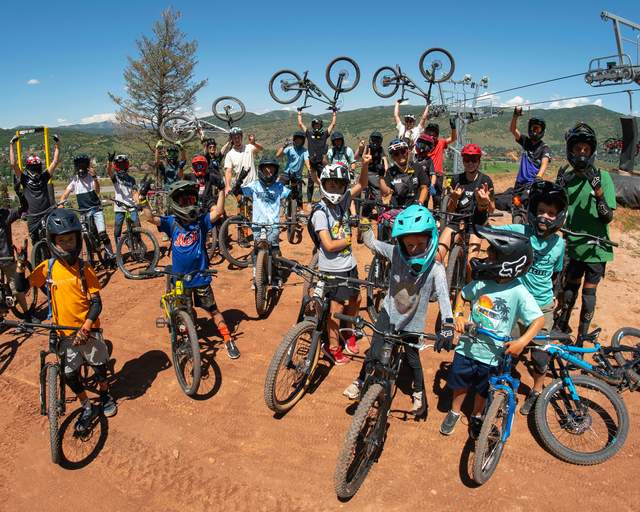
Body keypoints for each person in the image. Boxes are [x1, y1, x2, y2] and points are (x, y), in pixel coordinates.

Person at [343, 205, 454, 415]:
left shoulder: (436, 269)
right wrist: (365, 225)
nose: (415, 249)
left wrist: (447, 324)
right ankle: (360, 381)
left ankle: (419, 393)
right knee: (375, 349)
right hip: (389, 312)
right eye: (409, 245)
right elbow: (373, 244)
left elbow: (444, 298)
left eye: (421, 243)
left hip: (413, 321)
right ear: (401, 243)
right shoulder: (395, 253)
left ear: (431, 238)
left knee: (412, 359)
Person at [16, 209, 117, 433]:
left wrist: (87, 326)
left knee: (100, 370)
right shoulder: (48, 267)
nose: (68, 245)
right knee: (70, 374)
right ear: (53, 242)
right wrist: (21, 265)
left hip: (88, 331)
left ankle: (105, 394)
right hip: (65, 334)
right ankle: (86, 404)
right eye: (62, 241)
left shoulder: (85, 269)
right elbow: (22, 287)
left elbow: (97, 304)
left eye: (71, 240)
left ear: (78, 240)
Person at [440, 227, 544, 438]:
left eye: (492, 254)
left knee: (482, 389)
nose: (487, 257)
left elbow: (539, 319)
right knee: (459, 383)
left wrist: (522, 342)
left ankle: (477, 415)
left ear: (509, 262)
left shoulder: (518, 291)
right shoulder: (482, 282)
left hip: (492, 354)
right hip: (467, 346)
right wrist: (459, 314)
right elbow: (463, 295)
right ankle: (454, 411)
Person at [139, 180, 240, 359]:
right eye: (184, 201)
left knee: (213, 310)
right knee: (183, 313)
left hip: (200, 276)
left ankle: (227, 339)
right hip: (179, 279)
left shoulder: (200, 222)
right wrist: (142, 199)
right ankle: (187, 341)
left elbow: (217, 212)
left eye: (192, 199)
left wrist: (222, 190)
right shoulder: (172, 223)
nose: (189, 204)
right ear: (176, 203)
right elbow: (150, 218)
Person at [494, 181, 567, 415]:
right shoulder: (519, 232)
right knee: (508, 349)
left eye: (552, 213)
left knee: (539, 357)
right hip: (516, 305)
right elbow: (493, 232)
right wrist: (484, 206)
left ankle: (536, 389)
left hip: (542, 306)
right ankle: (504, 388)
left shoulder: (559, 244)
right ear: (533, 211)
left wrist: (555, 297)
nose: (545, 217)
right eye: (541, 211)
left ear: (559, 216)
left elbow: (556, 273)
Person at [554, 123, 616, 340]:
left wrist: (598, 193)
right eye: (577, 149)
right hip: (573, 245)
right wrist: (558, 191)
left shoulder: (603, 177)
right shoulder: (567, 179)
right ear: (570, 150)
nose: (581, 153)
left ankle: (582, 336)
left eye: (585, 149)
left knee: (589, 293)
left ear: (591, 151)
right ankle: (562, 327)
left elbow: (608, 216)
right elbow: (555, 212)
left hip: (596, 248)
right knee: (569, 288)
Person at [310, 157, 369, 365]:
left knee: (356, 300)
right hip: (332, 268)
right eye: (331, 184)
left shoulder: (343, 201)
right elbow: (328, 245)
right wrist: (346, 240)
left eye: (339, 185)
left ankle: (348, 332)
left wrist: (365, 164)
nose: (335, 189)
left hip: (349, 264)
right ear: (324, 184)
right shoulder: (320, 211)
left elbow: (361, 184)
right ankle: (332, 347)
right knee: (335, 309)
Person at [436, 144, 494, 270]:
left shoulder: (486, 181)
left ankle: (466, 288)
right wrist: (454, 198)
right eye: (467, 159)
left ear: (479, 161)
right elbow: (450, 210)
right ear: (463, 160)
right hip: (458, 220)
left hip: (476, 223)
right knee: (438, 255)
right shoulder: (455, 179)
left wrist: (485, 201)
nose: (470, 162)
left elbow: (491, 209)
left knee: (470, 264)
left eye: (474, 159)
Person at [241, 158, 290, 289]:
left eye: (272, 169)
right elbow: (240, 192)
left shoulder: (279, 187)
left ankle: (277, 276)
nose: (269, 171)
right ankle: (256, 276)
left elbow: (290, 195)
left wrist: (289, 181)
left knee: (274, 250)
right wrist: (240, 179)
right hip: (257, 224)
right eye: (266, 168)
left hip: (273, 224)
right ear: (261, 170)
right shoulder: (254, 185)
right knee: (257, 250)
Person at [60, 155, 116, 265]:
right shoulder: (75, 180)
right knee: (84, 235)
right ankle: (91, 258)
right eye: (79, 166)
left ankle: (111, 256)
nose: (81, 168)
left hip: (96, 209)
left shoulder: (91, 177)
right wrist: (61, 203)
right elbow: (66, 193)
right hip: (83, 212)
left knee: (103, 234)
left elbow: (98, 191)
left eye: (83, 165)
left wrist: (95, 178)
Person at [9, 133, 60, 244]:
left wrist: (57, 144)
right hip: (32, 216)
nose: (35, 170)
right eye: (33, 168)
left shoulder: (43, 176)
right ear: (28, 168)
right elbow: (13, 164)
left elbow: (55, 162)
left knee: (53, 240)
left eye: (37, 167)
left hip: (46, 213)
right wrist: (11, 145)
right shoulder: (25, 178)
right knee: (35, 242)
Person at [0, 199, 33, 332]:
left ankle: (27, 316)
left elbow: (24, 207)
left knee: (16, 289)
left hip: (6, 259)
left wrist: (19, 190)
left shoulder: (5, 214)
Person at [298, 109, 336, 204]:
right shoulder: (309, 134)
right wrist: (299, 112)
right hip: (312, 163)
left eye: (318, 125)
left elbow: (332, 125)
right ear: (313, 126)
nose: (316, 126)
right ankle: (309, 203)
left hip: (321, 163)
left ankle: (324, 201)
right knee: (310, 184)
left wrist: (334, 113)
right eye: (315, 125)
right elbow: (300, 124)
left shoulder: (324, 135)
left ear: (321, 126)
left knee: (322, 183)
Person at [380, 139, 429, 209]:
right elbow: (387, 191)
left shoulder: (417, 167)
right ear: (393, 157)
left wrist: (420, 203)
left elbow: (424, 187)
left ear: (408, 152)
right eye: (396, 154)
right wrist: (381, 177)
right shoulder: (390, 172)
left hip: (415, 208)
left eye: (403, 152)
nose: (400, 156)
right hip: (397, 210)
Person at [510, 107, 551, 188]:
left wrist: (539, 176)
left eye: (537, 129)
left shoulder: (544, 147)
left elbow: (544, 163)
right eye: (533, 128)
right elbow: (513, 130)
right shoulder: (525, 141)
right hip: (519, 183)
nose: (535, 131)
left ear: (542, 131)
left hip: (533, 183)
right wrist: (515, 116)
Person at [106, 153, 140, 245]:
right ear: (116, 166)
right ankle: (118, 250)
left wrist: (138, 203)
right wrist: (109, 162)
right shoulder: (116, 178)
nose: (121, 167)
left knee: (137, 226)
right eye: (119, 165)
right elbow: (109, 172)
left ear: (126, 165)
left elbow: (135, 193)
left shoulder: (131, 179)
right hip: (119, 207)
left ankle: (136, 244)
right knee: (117, 229)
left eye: (123, 165)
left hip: (131, 206)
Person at [355, 131, 388, 218]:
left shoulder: (380, 149)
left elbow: (384, 159)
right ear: (370, 140)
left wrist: (385, 168)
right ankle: (357, 213)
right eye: (374, 140)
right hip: (365, 171)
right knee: (357, 190)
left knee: (377, 192)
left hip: (374, 173)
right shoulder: (367, 147)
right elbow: (360, 156)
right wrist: (361, 148)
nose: (375, 142)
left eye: (377, 140)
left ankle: (381, 214)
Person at [425, 119, 457, 209]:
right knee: (424, 198)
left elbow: (453, 138)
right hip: (426, 175)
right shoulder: (424, 144)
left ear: (437, 135)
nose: (432, 137)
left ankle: (438, 217)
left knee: (437, 199)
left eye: (434, 135)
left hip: (438, 175)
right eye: (429, 134)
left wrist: (453, 128)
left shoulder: (441, 142)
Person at [223, 127, 263, 198]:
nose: (237, 139)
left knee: (257, 207)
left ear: (241, 137)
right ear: (232, 139)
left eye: (238, 137)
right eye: (234, 138)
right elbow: (228, 171)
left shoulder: (249, 147)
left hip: (254, 184)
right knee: (242, 207)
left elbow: (261, 148)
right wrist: (227, 186)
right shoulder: (229, 154)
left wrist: (254, 143)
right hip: (241, 186)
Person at [275, 131, 309, 209]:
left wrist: (310, 170)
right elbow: (278, 155)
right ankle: (278, 206)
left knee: (299, 195)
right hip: (287, 173)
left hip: (297, 175)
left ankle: (300, 210)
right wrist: (284, 146)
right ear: (294, 140)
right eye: (296, 139)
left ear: (303, 141)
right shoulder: (290, 149)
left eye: (300, 139)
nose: (298, 141)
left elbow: (307, 162)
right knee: (278, 188)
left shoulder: (305, 151)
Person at [414, 133, 437, 206]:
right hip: (413, 187)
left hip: (424, 188)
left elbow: (433, 174)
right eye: (421, 144)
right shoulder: (413, 158)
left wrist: (432, 186)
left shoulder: (428, 160)